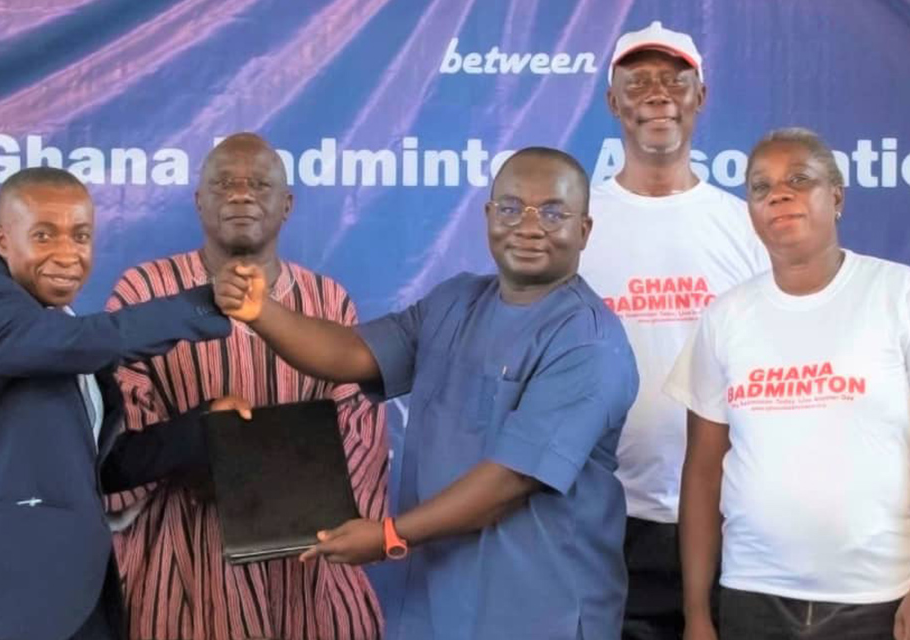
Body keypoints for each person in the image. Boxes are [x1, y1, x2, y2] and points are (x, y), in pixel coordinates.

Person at [215, 147, 639, 640]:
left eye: (552, 212)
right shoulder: (455, 301)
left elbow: (510, 482)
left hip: (540, 608)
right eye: (509, 208)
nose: (528, 226)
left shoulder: (589, 340)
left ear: (583, 230)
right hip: (437, 600)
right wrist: (262, 313)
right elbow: (353, 353)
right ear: (487, 216)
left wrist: (391, 535)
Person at [105, 132, 389, 640]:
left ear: (286, 204)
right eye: (224, 184)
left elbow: (355, 428)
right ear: (198, 201)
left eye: (259, 183)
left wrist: (261, 484)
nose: (241, 194)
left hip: (304, 558)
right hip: (183, 553)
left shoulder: (327, 301)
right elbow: (121, 431)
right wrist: (201, 449)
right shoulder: (144, 291)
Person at [0, 167, 247, 640]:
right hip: (0, 601)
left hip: (75, 597)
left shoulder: (67, 333)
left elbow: (99, 469)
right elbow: (82, 340)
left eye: (81, 235)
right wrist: (205, 305)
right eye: (43, 235)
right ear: (2, 240)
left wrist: (202, 427)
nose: (67, 254)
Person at [666, 128, 910, 640]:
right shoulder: (725, 317)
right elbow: (703, 472)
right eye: (760, 187)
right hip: (752, 598)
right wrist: (696, 613)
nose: (779, 194)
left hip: (878, 599)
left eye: (800, 179)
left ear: (837, 196)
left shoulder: (897, 295)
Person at [577, 21, 769, 639]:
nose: (657, 94)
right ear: (613, 102)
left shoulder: (746, 228)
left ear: (700, 97)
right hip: (602, 518)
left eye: (674, 80)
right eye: (638, 82)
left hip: (726, 518)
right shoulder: (577, 227)